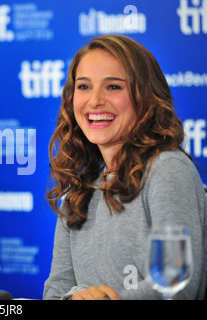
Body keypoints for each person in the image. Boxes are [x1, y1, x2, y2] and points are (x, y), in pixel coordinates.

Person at [43, 35, 207, 300]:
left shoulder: (168, 170)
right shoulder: (79, 190)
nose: (94, 100)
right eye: (84, 86)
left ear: (146, 97)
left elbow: (176, 284)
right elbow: (54, 291)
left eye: (113, 87)